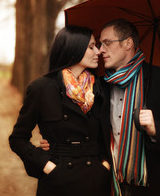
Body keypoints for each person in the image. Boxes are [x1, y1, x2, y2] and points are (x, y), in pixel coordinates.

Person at [97, 18, 160, 196]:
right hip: (113, 186)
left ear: (128, 43)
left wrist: (155, 128)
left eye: (106, 43)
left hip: (155, 187)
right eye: (99, 44)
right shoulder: (101, 86)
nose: (101, 50)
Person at [9, 26, 111, 196]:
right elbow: (18, 139)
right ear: (74, 48)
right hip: (58, 182)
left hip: (95, 179)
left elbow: (109, 135)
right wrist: (47, 166)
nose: (98, 52)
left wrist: (105, 166)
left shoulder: (101, 88)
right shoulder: (41, 88)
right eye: (91, 46)